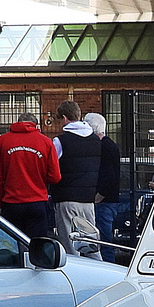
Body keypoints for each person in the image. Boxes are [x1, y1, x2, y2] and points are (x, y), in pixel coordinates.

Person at [0, 113, 60, 240]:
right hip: (37, 202)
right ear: (35, 125)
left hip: (11, 203)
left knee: (13, 246)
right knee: (36, 248)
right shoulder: (46, 142)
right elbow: (55, 177)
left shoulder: (2, 141)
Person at [51, 100, 102, 260]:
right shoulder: (95, 140)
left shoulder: (60, 141)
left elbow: (52, 168)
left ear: (64, 118)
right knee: (91, 245)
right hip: (88, 200)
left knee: (69, 247)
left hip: (66, 198)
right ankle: (100, 275)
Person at [84, 112, 126, 258]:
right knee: (104, 240)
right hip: (109, 200)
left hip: (105, 201)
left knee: (103, 241)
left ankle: (107, 265)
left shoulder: (104, 147)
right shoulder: (110, 145)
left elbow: (109, 175)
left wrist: (99, 196)